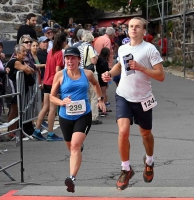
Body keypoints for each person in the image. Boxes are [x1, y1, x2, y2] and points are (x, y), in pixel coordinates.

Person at [102, 17, 165, 190]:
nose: (133, 29)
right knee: (123, 132)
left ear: (144, 30)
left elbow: (160, 76)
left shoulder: (150, 49)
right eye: (131, 27)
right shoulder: (122, 48)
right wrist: (109, 73)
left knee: (146, 134)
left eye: (137, 27)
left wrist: (141, 68)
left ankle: (149, 160)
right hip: (123, 95)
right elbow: (119, 67)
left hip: (143, 98)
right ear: (127, 30)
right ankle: (125, 168)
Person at [50, 46, 106, 193]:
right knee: (72, 148)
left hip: (83, 115)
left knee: (75, 146)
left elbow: (95, 84)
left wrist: (100, 100)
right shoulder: (60, 75)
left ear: (79, 60)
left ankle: (72, 178)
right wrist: (62, 102)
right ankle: (77, 150)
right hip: (65, 116)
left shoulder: (86, 73)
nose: (70, 61)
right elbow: (51, 96)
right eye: (67, 58)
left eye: (73, 58)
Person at [32, 33, 67, 141]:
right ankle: (50, 133)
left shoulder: (50, 52)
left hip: (47, 81)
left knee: (45, 107)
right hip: (53, 82)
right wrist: (61, 81)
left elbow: (48, 67)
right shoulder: (59, 53)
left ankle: (37, 130)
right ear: (62, 42)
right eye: (65, 41)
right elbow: (57, 70)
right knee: (52, 109)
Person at [6, 44, 35, 139]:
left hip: (19, 89)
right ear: (17, 53)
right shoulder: (15, 62)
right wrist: (27, 68)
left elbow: (31, 69)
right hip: (13, 89)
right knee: (14, 110)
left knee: (17, 110)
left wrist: (27, 68)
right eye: (23, 51)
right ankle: (11, 132)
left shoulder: (20, 61)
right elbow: (27, 70)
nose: (25, 53)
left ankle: (15, 130)